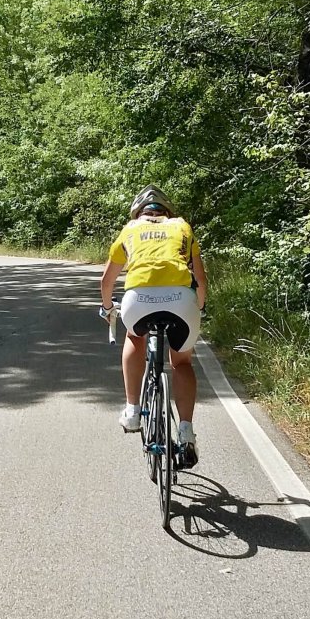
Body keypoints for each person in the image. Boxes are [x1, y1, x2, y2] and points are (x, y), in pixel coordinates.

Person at [99, 185, 207, 468]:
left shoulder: (130, 230)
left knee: (135, 337)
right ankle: (185, 431)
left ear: (139, 212)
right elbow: (201, 279)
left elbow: (106, 282)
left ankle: (133, 409)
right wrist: (201, 307)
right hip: (181, 301)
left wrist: (109, 308)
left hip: (139, 301)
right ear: (167, 212)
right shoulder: (183, 227)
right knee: (181, 362)